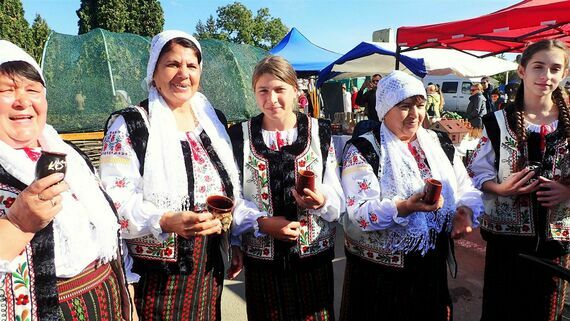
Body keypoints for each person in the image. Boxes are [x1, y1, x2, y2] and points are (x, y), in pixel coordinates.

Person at [100, 30, 242, 320]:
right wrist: (164, 220)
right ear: (154, 71)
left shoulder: (213, 120)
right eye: (172, 64)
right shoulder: (130, 125)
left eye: (191, 65)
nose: (183, 74)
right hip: (157, 277)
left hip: (209, 266)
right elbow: (114, 202)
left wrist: (234, 240)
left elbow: (231, 188)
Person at [0, 40, 131, 320]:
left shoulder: (68, 155)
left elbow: (108, 233)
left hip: (106, 299)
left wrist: (126, 296)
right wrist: (17, 224)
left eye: (32, 90)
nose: (23, 101)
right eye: (6, 91)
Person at [340, 70, 483, 321]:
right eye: (404, 106)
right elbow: (360, 212)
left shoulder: (438, 143)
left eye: (419, 105)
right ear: (385, 108)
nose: (415, 114)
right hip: (379, 276)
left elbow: (464, 186)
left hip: (430, 268)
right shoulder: (364, 149)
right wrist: (404, 207)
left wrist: (465, 212)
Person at [228, 55, 345, 321]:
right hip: (262, 264)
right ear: (254, 92)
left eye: (280, 89)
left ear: (295, 90)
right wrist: (261, 222)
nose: (272, 100)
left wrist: (322, 201)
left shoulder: (320, 133)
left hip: (313, 259)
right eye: (263, 91)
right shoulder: (240, 136)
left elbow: (336, 190)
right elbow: (232, 194)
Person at [468, 39, 570, 321]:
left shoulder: (569, 120)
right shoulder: (497, 122)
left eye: (555, 69)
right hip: (506, 246)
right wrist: (499, 187)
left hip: (555, 245)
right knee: (502, 312)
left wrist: (566, 191)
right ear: (522, 70)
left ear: (563, 74)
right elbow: (476, 172)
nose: (546, 76)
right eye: (538, 67)